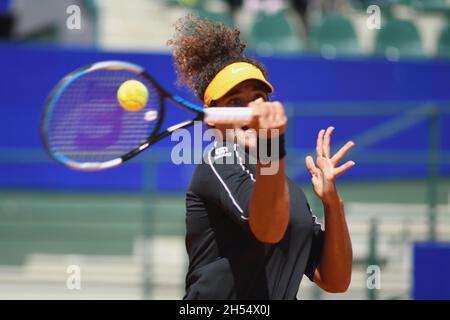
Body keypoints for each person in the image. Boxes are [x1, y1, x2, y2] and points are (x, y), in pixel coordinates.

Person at [167, 15, 354, 300]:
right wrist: (271, 144)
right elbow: (268, 229)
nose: (251, 109)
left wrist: (332, 203)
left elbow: (334, 280)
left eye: (258, 97)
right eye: (235, 102)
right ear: (214, 120)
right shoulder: (219, 162)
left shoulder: (286, 188)